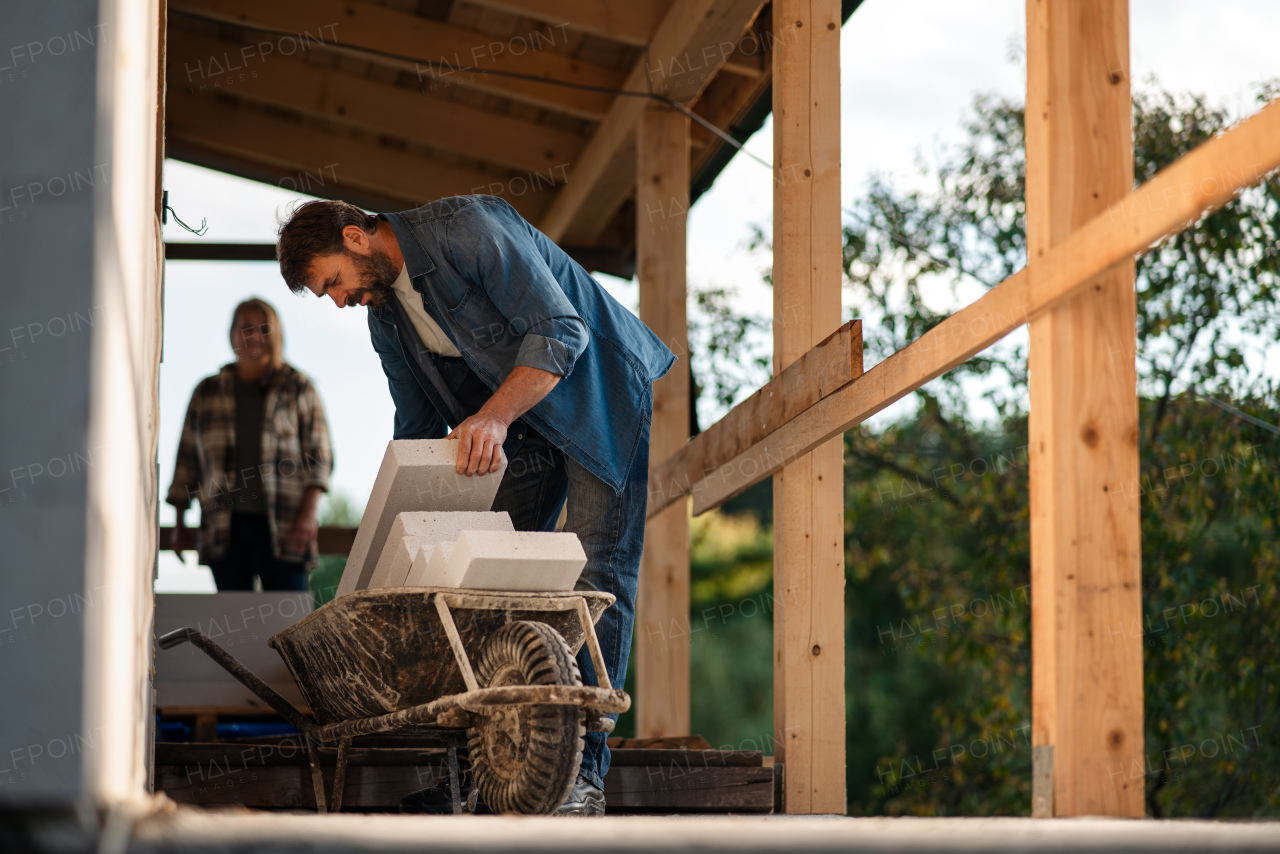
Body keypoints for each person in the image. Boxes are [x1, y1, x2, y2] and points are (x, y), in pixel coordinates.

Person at [275, 196, 674, 815]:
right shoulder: (387, 321)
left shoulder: (469, 229)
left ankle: (582, 780)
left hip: (600, 390)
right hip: (525, 427)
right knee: (481, 581)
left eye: (333, 283)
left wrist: (491, 417)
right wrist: (398, 542)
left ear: (356, 238)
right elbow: (415, 428)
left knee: (598, 573)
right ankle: (481, 778)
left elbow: (561, 330)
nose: (340, 301)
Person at [167, 298, 333, 592]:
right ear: (231, 334)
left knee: (288, 623)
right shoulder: (207, 392)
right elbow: (186, 461)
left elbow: (320, 459)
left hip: (285, 525)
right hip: (223, 529)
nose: (254, 336)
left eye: (264, 328)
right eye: (246, 328)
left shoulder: (298, 388)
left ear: (276, 335)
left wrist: (308, 518)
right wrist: (179, 523)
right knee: (233, 628)